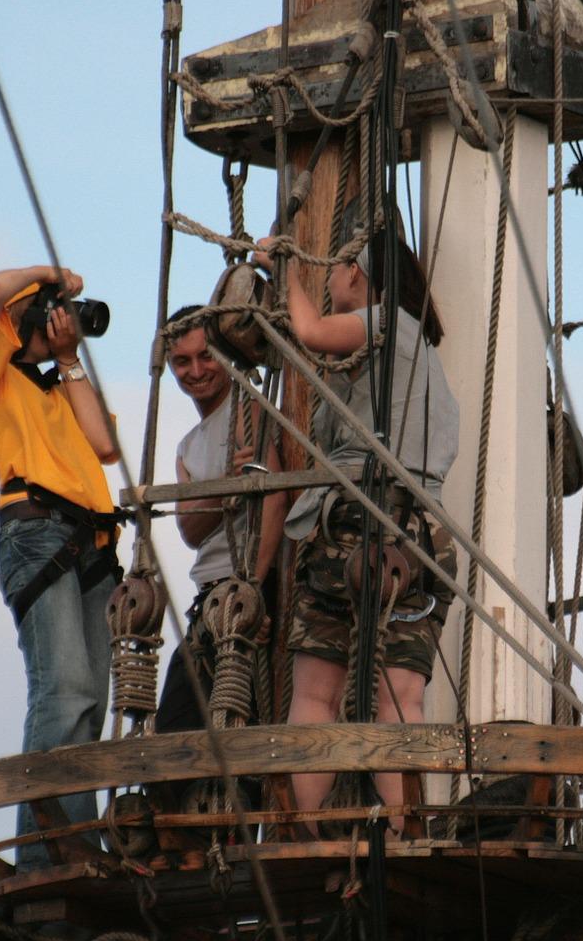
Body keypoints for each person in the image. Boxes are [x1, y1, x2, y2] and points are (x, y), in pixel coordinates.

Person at [251, 223, 459, 820]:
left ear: (358, 274)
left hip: (360, 522)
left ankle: (309, 832)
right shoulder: (417, 351)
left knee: (316, 694)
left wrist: (283, 268)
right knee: (402, 699)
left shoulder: (387, 321)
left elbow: (311, 332)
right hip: (423, 535)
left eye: (336, 268)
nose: (328, 278)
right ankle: (397, 831)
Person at [0, 264, 120, 865]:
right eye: (49, 314)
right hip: (37, 532)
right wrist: (55, 276)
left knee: (91, 701)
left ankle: (73, 841)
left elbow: (105, 446)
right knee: (64, 688)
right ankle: (47, 855)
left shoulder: (57, 387)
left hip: (92, 543)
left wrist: (70, 357)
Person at [155, 307, 286, 732]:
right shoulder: (187, 447)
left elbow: (275, 498)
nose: (196, 371)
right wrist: (228, 486)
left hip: (250, 590)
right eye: (181, 361)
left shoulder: (249, 410)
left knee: (247, 733)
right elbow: (189, 531)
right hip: (210, 602)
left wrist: (255, 590)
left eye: (206, 355)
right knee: (174, 731)